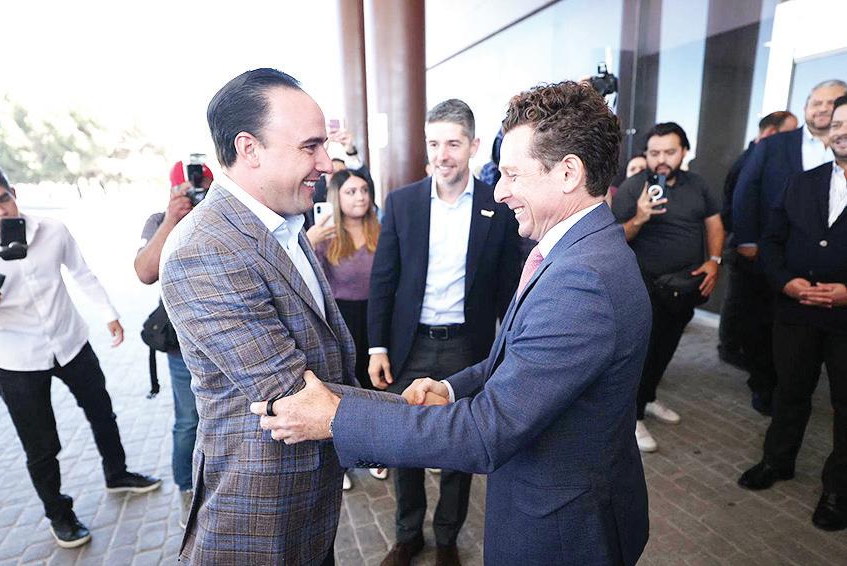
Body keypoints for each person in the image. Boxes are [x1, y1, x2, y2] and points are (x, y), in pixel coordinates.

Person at [253, 81, 652, 566]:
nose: (500, 191)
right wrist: (451, 388)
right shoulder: (579, 253)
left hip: (564, 532)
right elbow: (520, 358)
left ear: (568, 172)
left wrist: (338, 418)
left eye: (512, 174)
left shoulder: (581, 280)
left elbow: (485, 432)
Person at [159, 68, 399, 565]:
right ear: (249, 149)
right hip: (259, 520)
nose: (326, 163)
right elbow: (295, 396)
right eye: (310, 147)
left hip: (310, 507)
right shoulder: (205, 249)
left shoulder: (286, 222)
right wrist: (429, 417)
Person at [366, 98, 521, 566]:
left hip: (467, 347)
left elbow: (508, 286)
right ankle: (407, 535)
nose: (441, 155)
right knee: (404, 443)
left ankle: (447, 538)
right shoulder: (403, 203)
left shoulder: (497, 206)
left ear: (474, 145)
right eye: (433, 143)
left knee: (459, 445)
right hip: (409, 345)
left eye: (452, 143)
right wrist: (377, 347)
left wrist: (508, 352)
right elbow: (383, 280)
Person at [0, 167, 161, 549]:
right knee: (41, 445)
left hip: (70, 340)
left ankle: (117, 473)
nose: (0, 213)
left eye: (3, 200)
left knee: (102, 412)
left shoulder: (52, 230)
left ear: (14, 193)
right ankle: (59, 514)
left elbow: (81, 273)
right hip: (16, 359)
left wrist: (109, 313)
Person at [738, 96, 847, 532]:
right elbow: (772, 241)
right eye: (837, 123)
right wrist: (785, 282)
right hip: (795, 312)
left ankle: (838, 490)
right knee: (790, 392)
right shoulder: (801, 183)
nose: (841, 130)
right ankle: (777, 461)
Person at [732, 80, 847, 414]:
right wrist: (748, 241)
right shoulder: (775, 145)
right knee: (763, 330)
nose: (823, 109)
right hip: (775, 260)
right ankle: (764, 387)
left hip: (830, 279)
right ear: (806, 106)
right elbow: (746, 190)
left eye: (831, 103)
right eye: (816, 102)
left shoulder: (839, 148)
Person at [612, 122, 724, 452]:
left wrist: (714, 261)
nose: (661, 159)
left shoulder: (698, 185)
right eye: (654, 152)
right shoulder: (634, 187)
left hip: (684, 286)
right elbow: (613, 237)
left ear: (684, 152)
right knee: (642, 355)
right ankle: (632, 417)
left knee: (666, 349)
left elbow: (714, 224)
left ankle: (648, 399)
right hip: (643, 286)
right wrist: (639, 217)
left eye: (669, 152)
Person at [133, 159, 213, 527]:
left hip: (225, 336)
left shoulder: (221, 214)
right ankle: (187, 488)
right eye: (187, 189)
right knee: (188, 420)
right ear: (172, 191)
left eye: (202, 189)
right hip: (182, 342)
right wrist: (172, 220)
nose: (195, 195)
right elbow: (144, 271)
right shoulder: (158, 221)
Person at [312, 168, 389, 488]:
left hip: (376, 315)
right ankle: (343, 461)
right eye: (351, 192)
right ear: (337, 197)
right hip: (341, 318)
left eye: (364, 190)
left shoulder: (381, 230)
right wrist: (309, 241)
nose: (360, 197)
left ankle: (374, 452)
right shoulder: (326, 235)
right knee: (343, 388)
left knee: (375, 387)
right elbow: (309, 280)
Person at [717, 111, 797, 373]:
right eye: (791, 132)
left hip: (748, 243)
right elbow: (740, 202)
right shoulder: (755, 158)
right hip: (744, 243)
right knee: (740, 300)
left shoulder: (757, 155)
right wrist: (747, 241)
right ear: (772, 133)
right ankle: (731, 348)